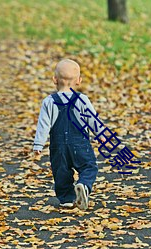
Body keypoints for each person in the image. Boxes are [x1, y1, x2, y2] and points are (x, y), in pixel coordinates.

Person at [33, 59, 105, 210]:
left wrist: (38, 144)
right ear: (78, 81)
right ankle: (83, 185)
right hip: (80, 144)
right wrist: (100, 134)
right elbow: (92, 119)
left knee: (61, 172)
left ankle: (66, 199)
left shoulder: (49, 101)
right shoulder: (82, 99)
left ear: (55, 79)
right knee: (89, 167)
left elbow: (43, 125)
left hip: (58, 146)